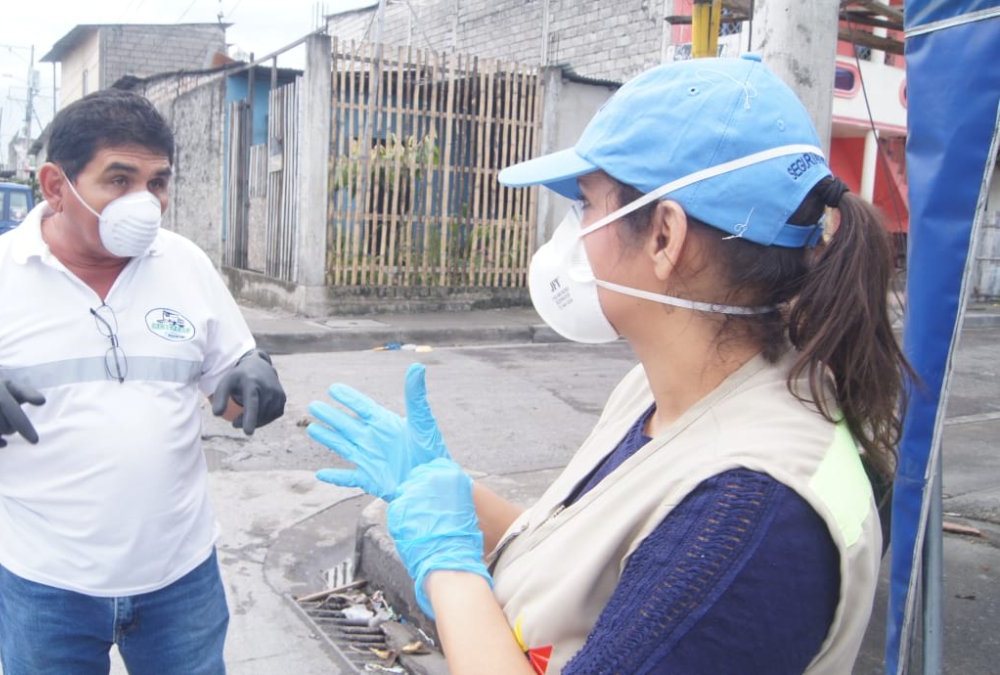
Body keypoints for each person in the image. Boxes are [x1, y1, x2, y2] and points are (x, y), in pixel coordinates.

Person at [307, 54, 911, 674]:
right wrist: (451, 495)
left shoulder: (750, 517)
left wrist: (448, 567)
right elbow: (604, 576)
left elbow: (681, 577)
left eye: (589, 204)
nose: (576, 234)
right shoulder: (669, 392)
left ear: (664, 237)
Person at [0, 89, 286, 675]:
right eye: (119, 180)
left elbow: (231, 399)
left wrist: (254, 379)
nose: (146, 204)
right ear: (56, 185)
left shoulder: (185, 264)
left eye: (157, 182)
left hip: (180, 579)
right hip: (44, 588)